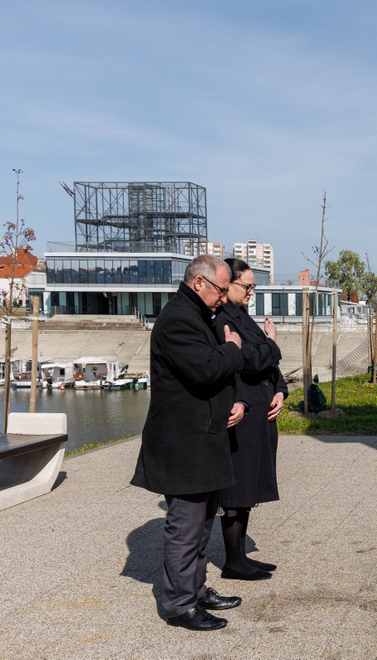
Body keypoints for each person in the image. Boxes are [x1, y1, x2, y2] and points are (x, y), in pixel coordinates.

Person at [130, 255, 248, 631]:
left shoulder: (198, 314)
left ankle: (195, 590)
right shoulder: (178, 318)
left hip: (202, 439)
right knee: (185, 526)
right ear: (199, 283)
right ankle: (180, 605)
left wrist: (238, 400)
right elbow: (206, 368)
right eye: (220, 290)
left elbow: (217, 371)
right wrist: (233, 348)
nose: (224, 298)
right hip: (184, 443)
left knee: (201, 525)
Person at [214, 258, 287, 580]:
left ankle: (240, 557)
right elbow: (252, 361)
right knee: (237, 489)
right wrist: (271, 341)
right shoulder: (223, 320)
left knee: (248, 489)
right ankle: (233, 562)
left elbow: (268, 365)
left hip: (260, 411)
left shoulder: (242, 316)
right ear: (227, 284)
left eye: (252, 287)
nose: (251, 292)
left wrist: (280, 390)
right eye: (246, 286)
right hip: (243, 414)